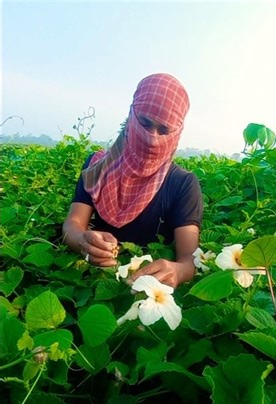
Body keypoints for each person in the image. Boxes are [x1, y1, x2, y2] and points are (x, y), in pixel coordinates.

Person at [62, 72, 203, 288]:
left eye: (164, 129)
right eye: (145, 123)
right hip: (96, 281)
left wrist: (176, 270)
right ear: (131, 116)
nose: (152, 139)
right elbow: (73, 223)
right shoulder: (98, 166)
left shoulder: (183, 184)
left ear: (177, 132)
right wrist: (83, 241)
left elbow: (189, 261)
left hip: (146, 292)